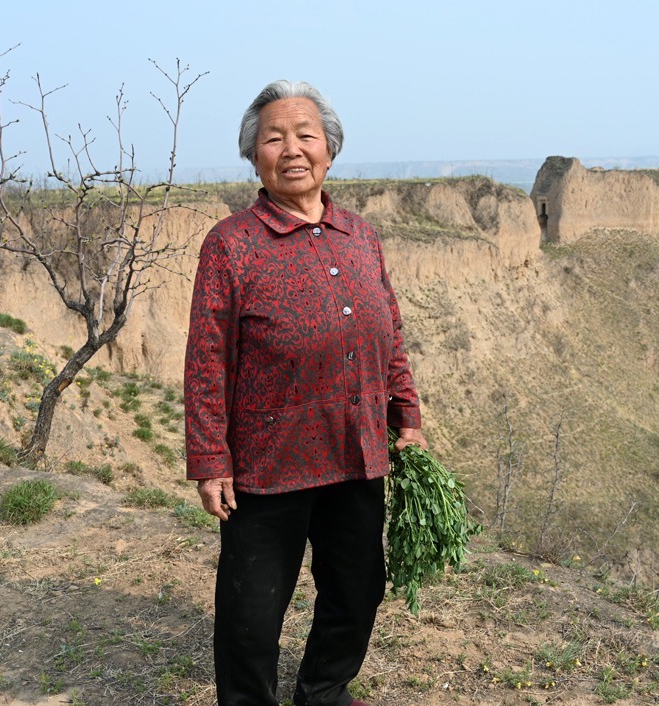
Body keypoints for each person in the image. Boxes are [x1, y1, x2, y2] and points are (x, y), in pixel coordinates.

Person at [184, 79, 427, 706]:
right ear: (253, 155)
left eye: (305, 135)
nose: (291, 149)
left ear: (329, 150)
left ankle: (323, 691)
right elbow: (207, 358)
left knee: (356, 589)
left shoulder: (360, 235)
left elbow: (389, 334)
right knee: (251, 613)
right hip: (269, 464)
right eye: (273, 137)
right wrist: (210, 458)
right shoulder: (231, 244)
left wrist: (408, 414)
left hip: (356, 451)